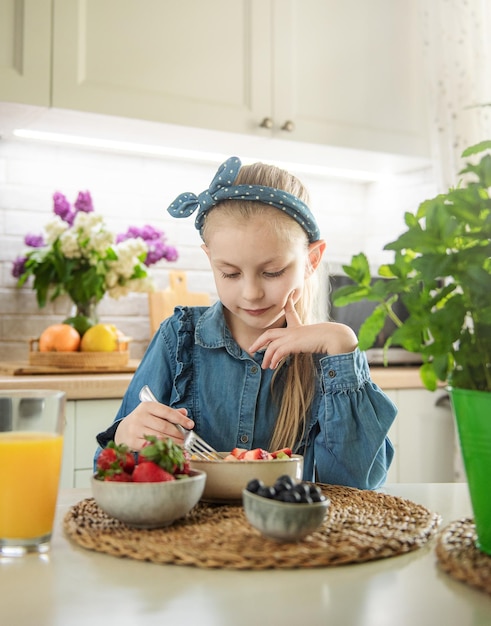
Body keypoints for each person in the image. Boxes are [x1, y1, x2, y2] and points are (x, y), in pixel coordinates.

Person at [95, 156, 397, 489]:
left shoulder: (329, 361)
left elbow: (356, 489)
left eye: (272, 272)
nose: (251, 293)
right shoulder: (178, 338)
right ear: (210, 259)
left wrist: (342, 345)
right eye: (230, 273)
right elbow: (106, 470)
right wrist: (124, 437)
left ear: (312, 260)